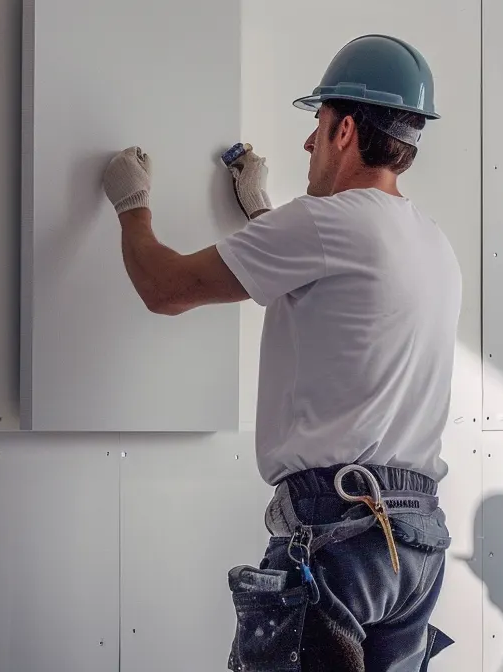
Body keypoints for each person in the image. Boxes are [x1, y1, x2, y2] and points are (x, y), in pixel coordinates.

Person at [99, 34, 462, 671]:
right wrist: (262, 213)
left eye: (316, 126)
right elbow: (327, 308)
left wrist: (132, 207)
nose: (307, 144)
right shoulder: (432, 245)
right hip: (414, 543)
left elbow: (165, 288)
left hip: (339, 532)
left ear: (345, 130)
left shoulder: (330, 223)